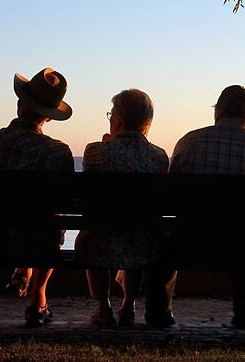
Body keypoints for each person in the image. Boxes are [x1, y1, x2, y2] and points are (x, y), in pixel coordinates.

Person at [0, 67, 74, 328]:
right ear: (49, 117)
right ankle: (37, 299)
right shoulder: (56, 152)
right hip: (36, 244)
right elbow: (62, 206)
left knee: (36, 223)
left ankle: (21, 274)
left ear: (19, 103)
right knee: (47, 225)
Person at [169, 85, 245, 329]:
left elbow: (170, 195)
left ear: (218, 111)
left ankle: (159, 312)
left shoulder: (189, 142)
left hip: (190, 243)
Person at [75, 89, 171, 327]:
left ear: (117, 120)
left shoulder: (94, 151)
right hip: (144, 245)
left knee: (96, 232)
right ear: (147, 123)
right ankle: (128, 305)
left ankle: (104, 308)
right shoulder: (159, 157)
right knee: (137, 229)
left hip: (98, 243)